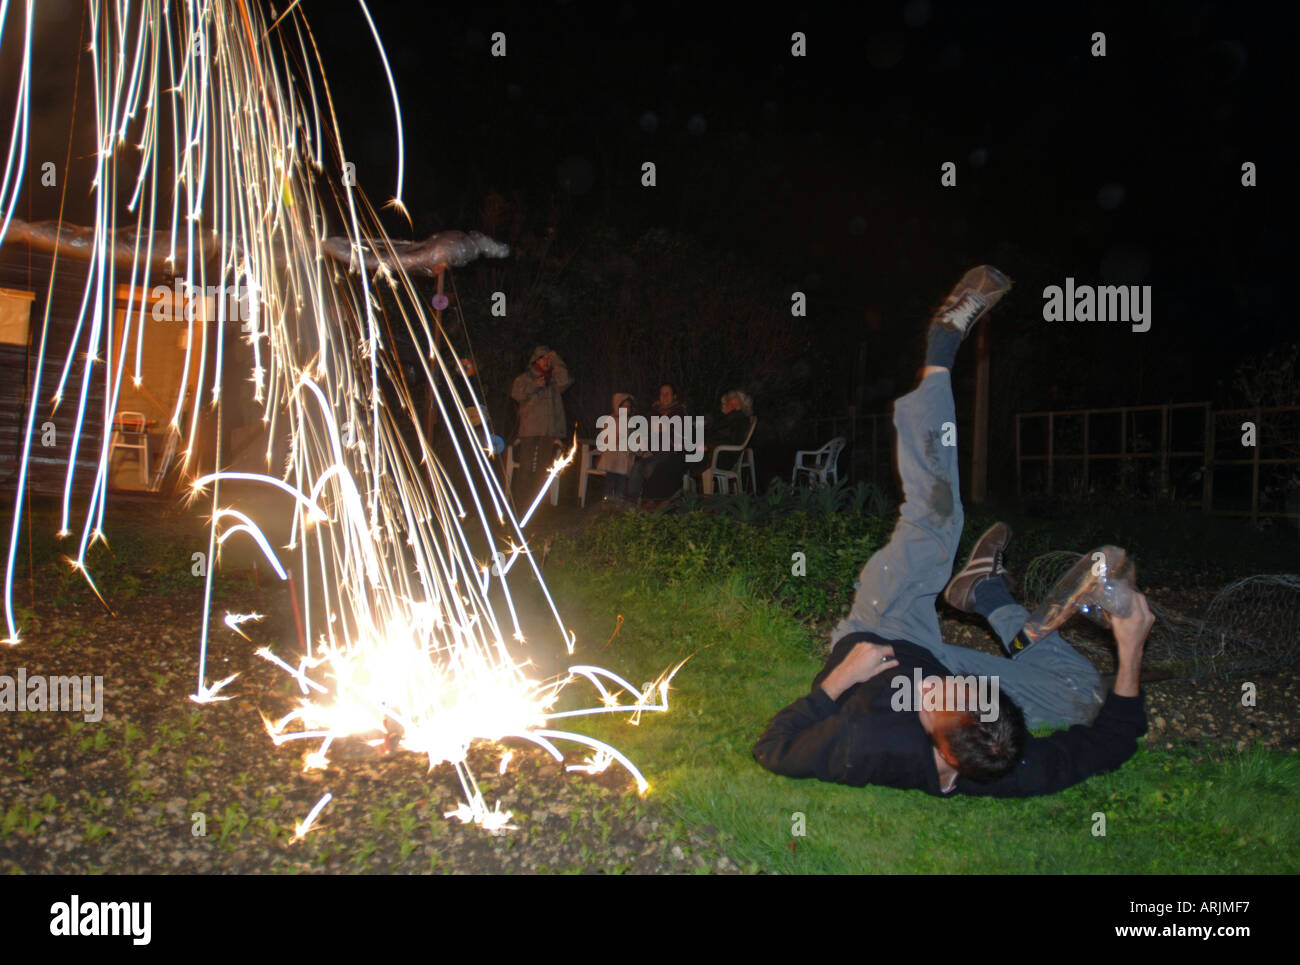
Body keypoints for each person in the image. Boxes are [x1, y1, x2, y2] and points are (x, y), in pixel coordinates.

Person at [753, 266, 1153, 797]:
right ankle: (984, 593)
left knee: (938, 519)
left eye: (945, 694)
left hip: (880, 628)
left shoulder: (869, 742)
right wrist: (1131, 650)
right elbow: (1110, 745)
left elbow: (773, 748)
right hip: (931, 660)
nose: (949, 684)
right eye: (969, 690)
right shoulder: (999, 758)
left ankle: (941, 348)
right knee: (1083, 696)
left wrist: (840, 680)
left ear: (940, 748)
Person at [509, 346, 573, 507]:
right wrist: (534, 386)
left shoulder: (554, 381)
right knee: (526, 468)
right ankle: (519, 504)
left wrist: (557, 359)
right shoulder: (524, 379)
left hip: (548, 431)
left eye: (548, 359)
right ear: (536, 360)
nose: (547, 362)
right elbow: (516, 395)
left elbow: (565, 381)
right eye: (543, 358)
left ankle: (537, 505)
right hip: (530, 431)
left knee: (542, 468)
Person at [627, 382, 689, 503]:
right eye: (662, 394)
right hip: (652, 452)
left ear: (674, 396)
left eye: (667, 394)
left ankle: (656, 503)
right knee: (637, 467)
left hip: (672, 453)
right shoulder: (653, 412)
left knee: (652, 468)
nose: (664, 397)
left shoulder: (680, 412)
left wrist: (665, 428)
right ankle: (631, 503)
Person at [695, 389, 753, 491]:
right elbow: (713, 430)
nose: (730, 402)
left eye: (734, 398)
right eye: (728, 400)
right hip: (713, 451)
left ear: (742, 402)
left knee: (688, 458)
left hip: (723, 455)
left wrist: (709, 445)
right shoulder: (726, 418)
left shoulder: (740, 419)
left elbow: (732, 440)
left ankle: (706, 498)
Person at [595, 392, 636, 503]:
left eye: (629, 406)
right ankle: (607, 500)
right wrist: (615, 437)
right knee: (610, 479)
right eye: (624, 406)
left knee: (621, 480)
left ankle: (619, 500)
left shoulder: (629, 422)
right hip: (612, 457)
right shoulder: (610, 420)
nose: (627, 409)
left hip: (623, 457)